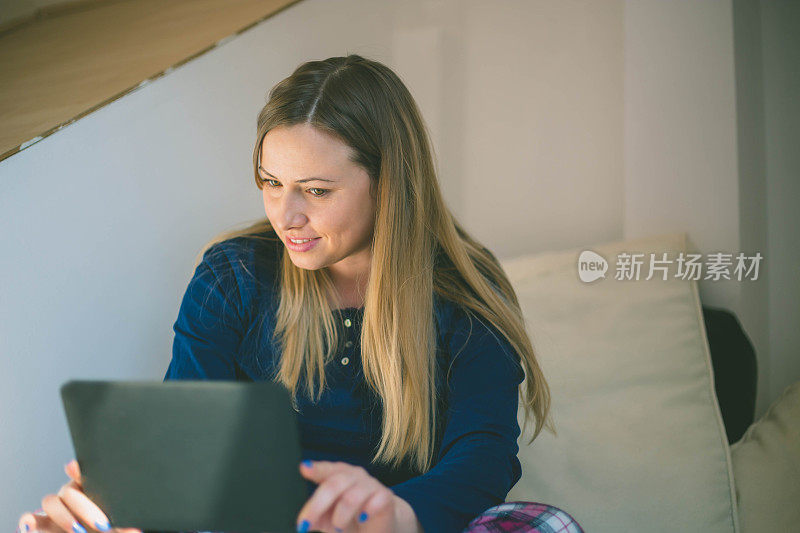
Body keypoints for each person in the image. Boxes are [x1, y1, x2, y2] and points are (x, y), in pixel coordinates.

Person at [18, 54, 565, 533]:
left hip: (400, 519)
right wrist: (124, 513)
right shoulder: (232, 277)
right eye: (271, 183)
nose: (287, 217)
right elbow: (190, 446)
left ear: (390, 183)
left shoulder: (462, 292)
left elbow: (483, 452)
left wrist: (396, 516)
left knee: (547, 525)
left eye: (317, 191)